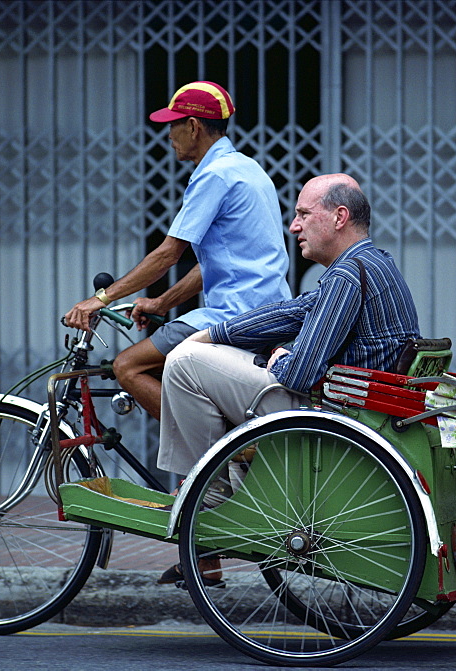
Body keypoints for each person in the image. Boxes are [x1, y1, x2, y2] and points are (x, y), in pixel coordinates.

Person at [154, 173, 421, 585]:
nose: (293, 226)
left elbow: (299, 374)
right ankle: (224, 480)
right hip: (355, 410)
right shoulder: (371, 264)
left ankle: (208, 493)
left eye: (302, 214)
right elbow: (292, 313)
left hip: (333, 415)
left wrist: (281, 357)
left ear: (339, 217)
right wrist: (216, 333)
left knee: (186, 361)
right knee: (203, 348)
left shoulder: (349, 276)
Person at [63, 81, 290, 419]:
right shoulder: (248, 169)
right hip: (266, 310)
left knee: (128, 367)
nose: (168, 134)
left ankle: (212, 458)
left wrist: (101, 299)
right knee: (171, 371)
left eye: (173, 123)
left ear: (193, 127)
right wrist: (160, 302)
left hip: (232, 316)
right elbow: (216, 264)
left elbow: (168, 253)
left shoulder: (214, 175)